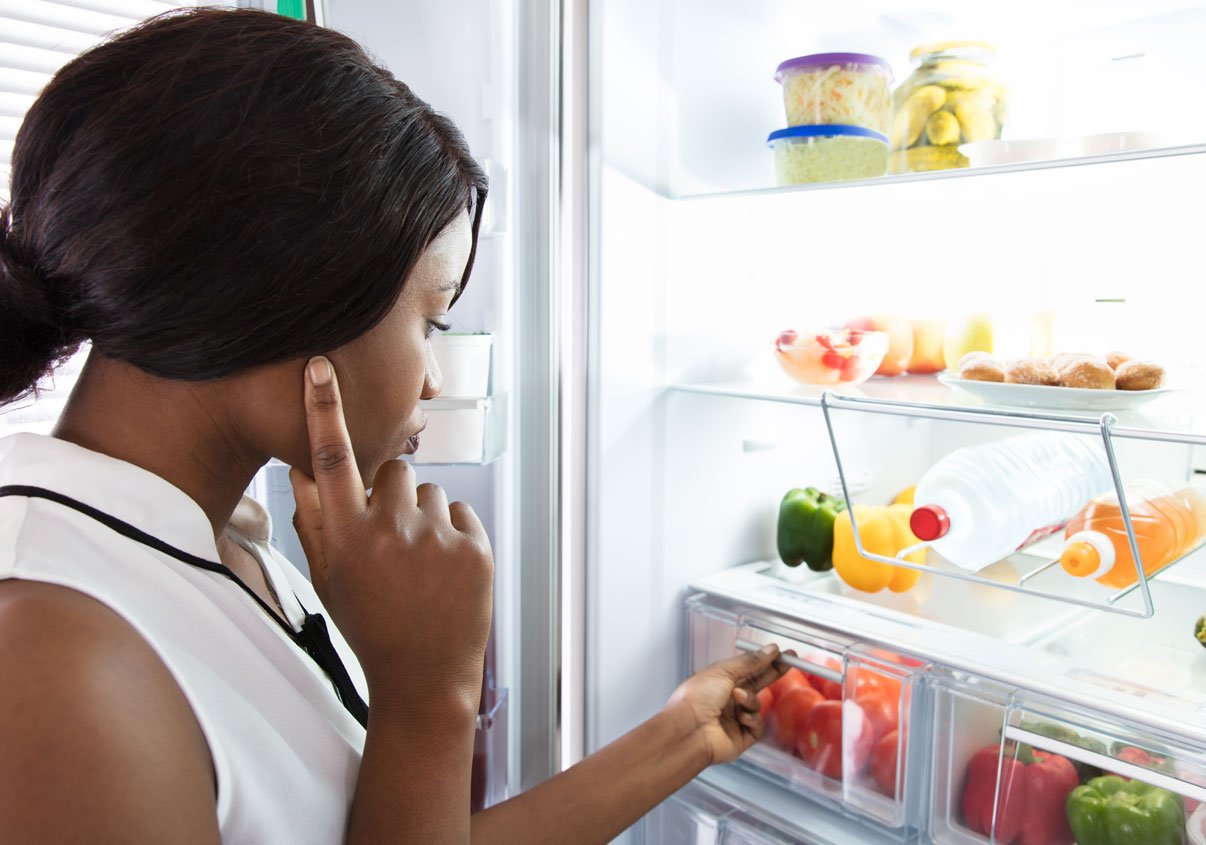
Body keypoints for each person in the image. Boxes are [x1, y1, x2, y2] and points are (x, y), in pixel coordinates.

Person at [0, 8, 785, 843]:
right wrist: (425, 699)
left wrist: (685, 733)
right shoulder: (62, 666)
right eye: (432, 320)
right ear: (286, 290)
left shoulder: (213, 537)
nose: (435, 377)